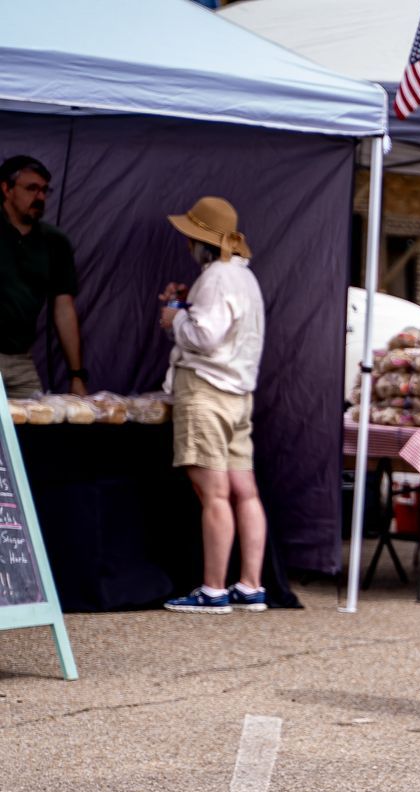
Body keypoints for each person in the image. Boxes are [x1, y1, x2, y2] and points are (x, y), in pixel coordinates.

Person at [158, 197, 269, 616]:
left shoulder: (216, 277)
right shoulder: (244, 277)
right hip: (240, 395)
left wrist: (174, 317)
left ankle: (213, 589)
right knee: (245, 492)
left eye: (191, 236)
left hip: (206, 393)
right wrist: (188, 308)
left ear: (202, 241)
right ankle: (251, 585)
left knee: (214, 494)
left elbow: (205, 337)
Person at [0, 155, 86, 400]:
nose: (39, 197)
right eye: (31, 188)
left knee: (32, 429)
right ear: (6, 188)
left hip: (21, 361)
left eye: (44, 190)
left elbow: (64, 309)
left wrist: (77, 375)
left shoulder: (54, 242)